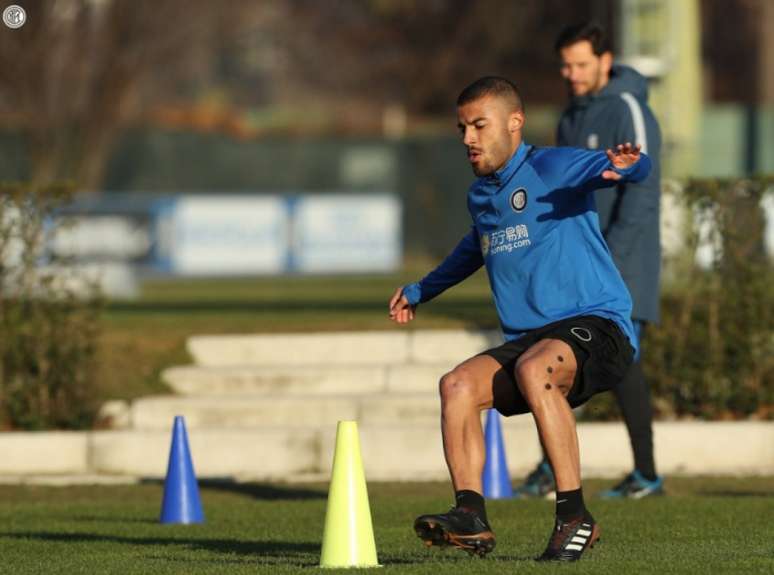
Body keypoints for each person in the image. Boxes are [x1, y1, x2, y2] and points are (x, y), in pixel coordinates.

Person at [388, 76, 650, 562]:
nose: (468, 138)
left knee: (535, 368)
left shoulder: (551, 165)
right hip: (534, 339)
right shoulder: (482, 197)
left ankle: (574, 515)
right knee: (457, 386)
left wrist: (629, 166)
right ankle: (470, 516)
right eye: (462, 127)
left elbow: (623, 168)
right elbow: (474, 249)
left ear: (514, 123)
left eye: (479, 125)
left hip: (599, 324)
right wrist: (422, 289)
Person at [514, 22, 663, 501]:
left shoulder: (628, 109)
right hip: (576, 266)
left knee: (625, 366)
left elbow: (641, 189)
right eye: (565, 65)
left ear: (605, 60)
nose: (571, 74)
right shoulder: (572, 115)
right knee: (554, 357)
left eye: (580, 64)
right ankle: (547, 466)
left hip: (621, 264)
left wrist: (613, 263)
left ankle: (647, 474)